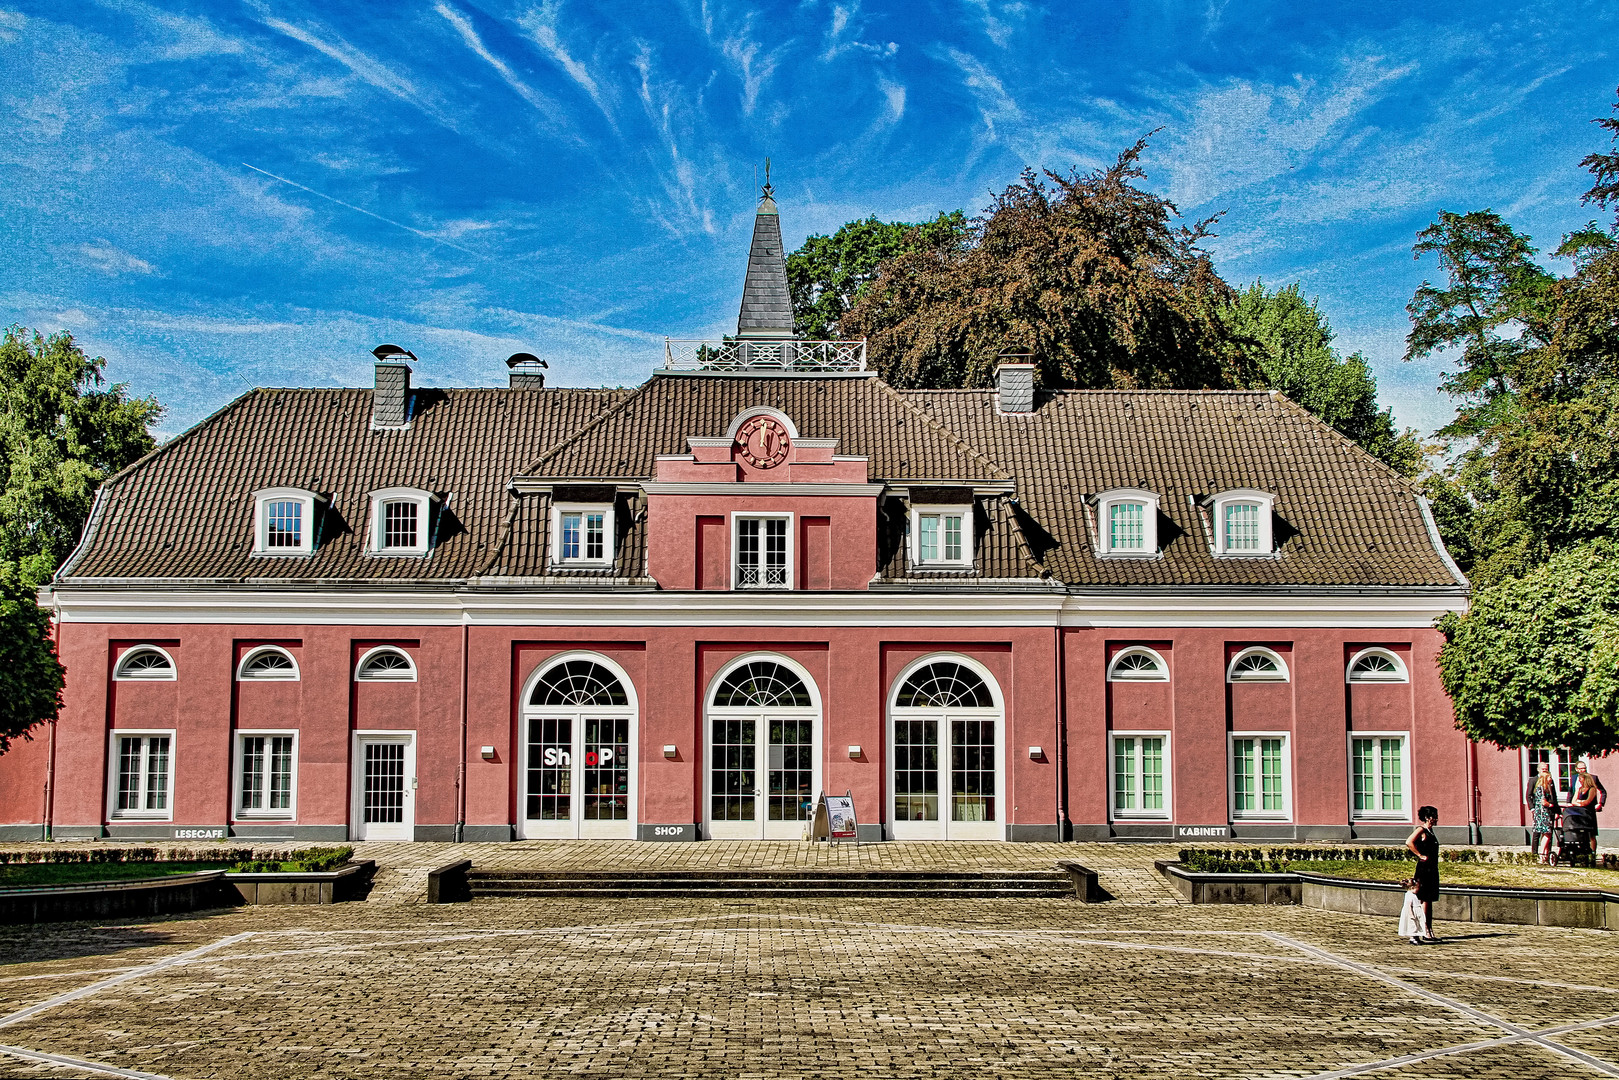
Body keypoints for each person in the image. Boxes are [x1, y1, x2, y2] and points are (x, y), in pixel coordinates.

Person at [1405, 805, 1441, 942]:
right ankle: (1422, 930)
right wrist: (1420, 855)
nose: (1435, 819)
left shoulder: (1431, 832)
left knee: (1429, 899)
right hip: (1424, 869)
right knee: (1422, 899)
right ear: (1426, 817)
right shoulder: (1421, 830)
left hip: (1432, 868)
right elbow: (1409, 842)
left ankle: (1428, 929)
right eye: (1433, 816)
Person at [1573, 761, 1607, 857]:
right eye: (1580, 768)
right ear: (1576, 769)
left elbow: (1603, 791)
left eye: (1584, 767)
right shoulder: (1574, 778)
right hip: (1576, 810)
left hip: (1589, 809)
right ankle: (1581, 853)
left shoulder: (1593, 778)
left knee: (1591, 833)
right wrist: (1571, 804)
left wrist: (1600, 803)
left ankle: (1592, 854)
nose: (1583, 769)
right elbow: (1571, 793)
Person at [1527, 765, 1560, 865]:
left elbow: (1554, 798)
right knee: (1544, 834)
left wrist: (1557, 810)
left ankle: (1545, 854)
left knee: (1547, 835)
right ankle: (1540, 854)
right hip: (1543, 813)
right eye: (1549, 777)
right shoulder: (1538, 785)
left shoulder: (1548, 786)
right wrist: (1534, 808)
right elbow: (1539, 800)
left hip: (1544, 812)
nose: (1551, 779)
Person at [1397, 877, 1429, 945]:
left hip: (1417, 912)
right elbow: (1408, 906)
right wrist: (1411, 914)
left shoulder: (1415, 895)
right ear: (1412, 887)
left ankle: (1417, 937)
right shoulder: (1409, 895)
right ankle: (1412, 938)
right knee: (1413, 926)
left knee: (1417, 925)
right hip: (1412, 913)